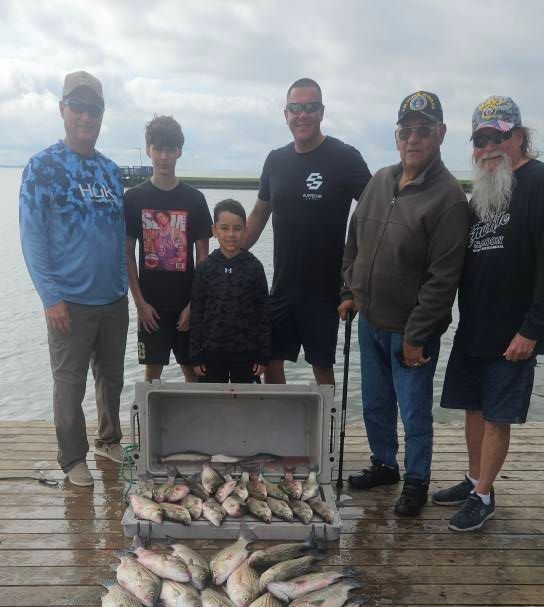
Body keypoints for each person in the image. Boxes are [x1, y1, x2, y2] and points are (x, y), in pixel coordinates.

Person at [434, 97, 544, 531]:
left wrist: (535, 327)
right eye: (480, 139)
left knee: (496, 416)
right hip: (474, 327)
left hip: (515, 332)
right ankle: (476, 478)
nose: (488, 146)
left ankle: (484, 496)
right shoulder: (483, 192)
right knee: (472, 410)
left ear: (518, 136)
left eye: (497, 136)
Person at [341, 91, 469, 516]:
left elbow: (443, 279)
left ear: (441, 135)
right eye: (406, 131)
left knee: (414, 412)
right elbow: (354, 241)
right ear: (396, 137)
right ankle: (384, 464)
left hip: (412, 333)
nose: (413, 139)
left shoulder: (449, 198)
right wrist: (348, 291)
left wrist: (417, 335)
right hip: (370, 320)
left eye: (424, 130)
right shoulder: (378, 180)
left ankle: (416, 480)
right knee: (375, 402)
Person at [19, 71, 128, 488]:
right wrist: (51, 297)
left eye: (94, 109)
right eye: (78, 107)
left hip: (113, 301)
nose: (86, 116)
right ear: (63, 109)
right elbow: (32, 238)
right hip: (69, 303)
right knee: (69, 384)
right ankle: (72, 458)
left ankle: (108, 438)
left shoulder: (110, 171)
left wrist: (123, 287)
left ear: (102, 115)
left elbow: (119, 235)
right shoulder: (42, 167)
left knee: (112, 378)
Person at [244, 78, 370, 386]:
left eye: (311, 107)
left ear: (322, 112)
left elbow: (373, 216)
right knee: (271, 363)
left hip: (326, 294)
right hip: (282, 287)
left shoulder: (345, 157)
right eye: (296, 108)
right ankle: (279, 429)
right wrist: (227, 257)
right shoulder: (275, 159)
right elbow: (260, 213)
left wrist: (354, 283)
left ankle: (321, 432)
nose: (303, 115)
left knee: (322, 369)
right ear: (285, 114)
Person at [124, 115, 212, 383]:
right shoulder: (133, 198)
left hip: (187, 307)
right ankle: (153, 426)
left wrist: (194, 305)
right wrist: (139, 303)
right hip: (151, 308)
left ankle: (193, 426)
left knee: (193, 374)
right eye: (158, 149)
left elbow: (204, 259)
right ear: (149, 149)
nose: (164, 156)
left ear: (179, 151)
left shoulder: (194, 199)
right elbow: (127, 254)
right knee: (152, 377)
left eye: (170, 149)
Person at [189, 199, 270, 383]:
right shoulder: (205, 268)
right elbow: (197, 312)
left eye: (237, 228)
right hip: (211, 355)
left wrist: (262, 355)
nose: (231, 234)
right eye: (224, 228)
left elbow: (263, 314)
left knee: (245, 407)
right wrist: (195, 354)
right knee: (212, 407)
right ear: (214, 231)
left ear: (245, 230)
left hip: (247, 356)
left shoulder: (254, 267)